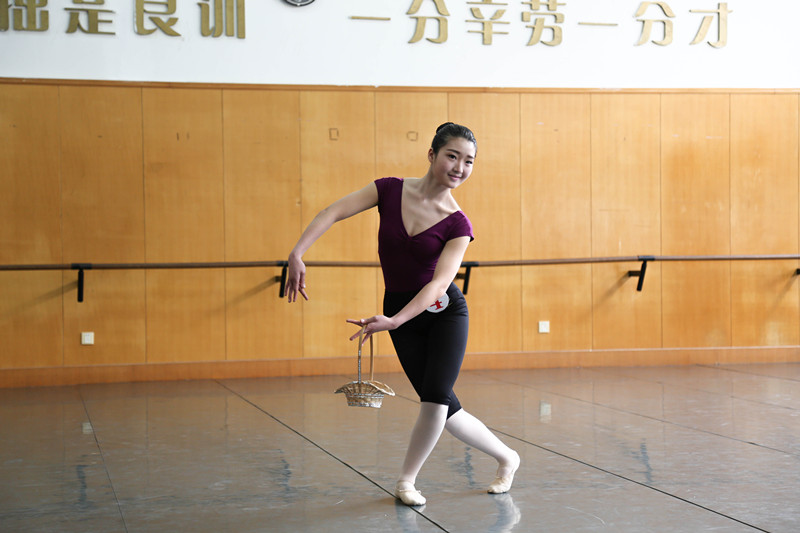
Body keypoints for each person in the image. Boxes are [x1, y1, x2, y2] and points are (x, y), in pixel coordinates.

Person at [286, 122, 520, 507]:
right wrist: (297, 253)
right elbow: (333, 211)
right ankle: (507, 457)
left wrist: (395, 321)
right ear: (431, 154)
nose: (459, 167)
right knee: (443, 404)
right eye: (452, 156)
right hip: (398, 309)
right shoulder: (389, 190)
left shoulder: (459, 224)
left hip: (443, 313)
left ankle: (406, 481)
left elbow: (439, 285)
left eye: (469, 161)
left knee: (435, 399)